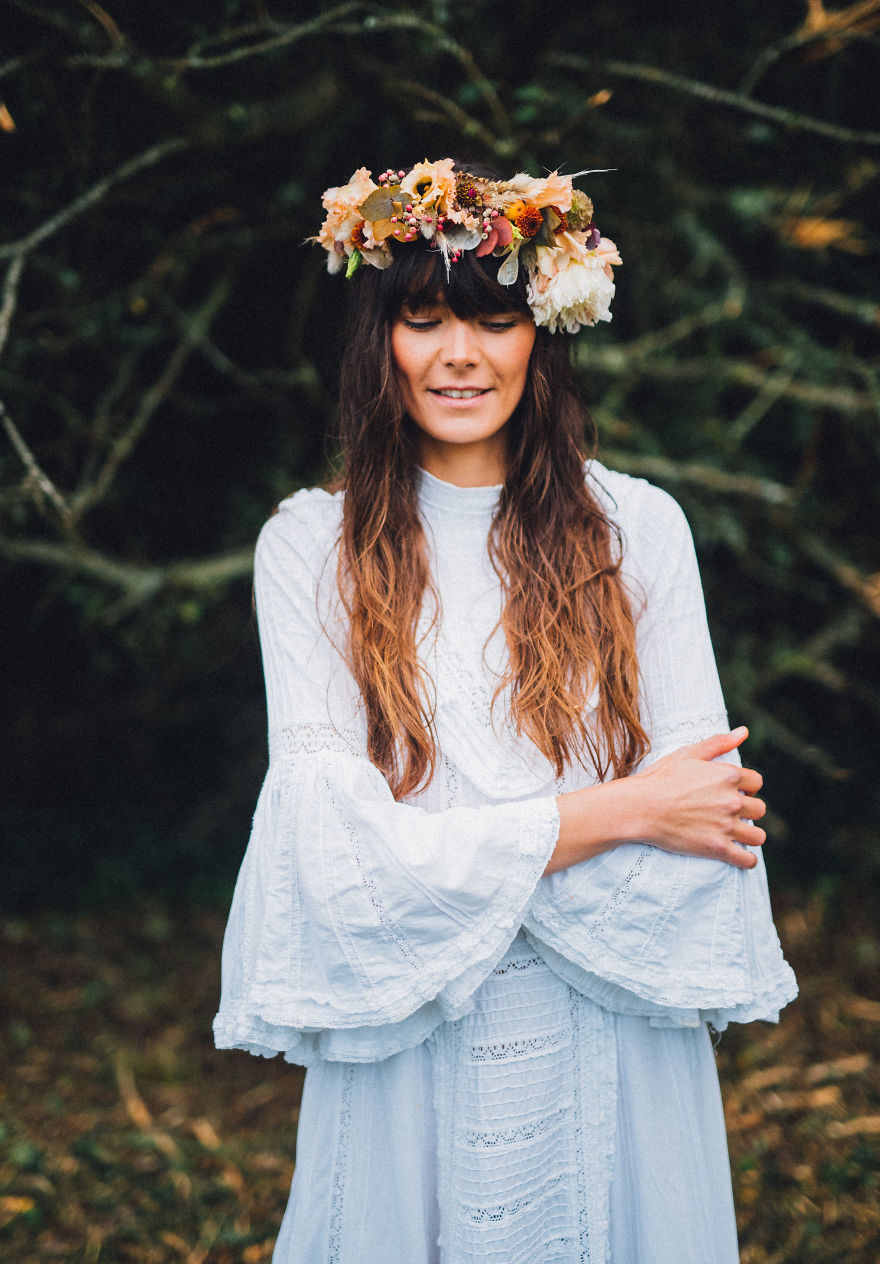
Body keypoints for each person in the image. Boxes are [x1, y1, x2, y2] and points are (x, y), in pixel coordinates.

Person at [214, 159, 797, 1264]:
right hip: (407, 1037)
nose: (458, 356)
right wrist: (616, 814)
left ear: (544, 330)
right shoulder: (310, 550)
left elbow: (709, 821)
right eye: (424, 320)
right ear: (378, 340)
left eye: (491, 320)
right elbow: (334, 857)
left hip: (610, 1037)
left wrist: (447, 857)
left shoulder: (637, 530)